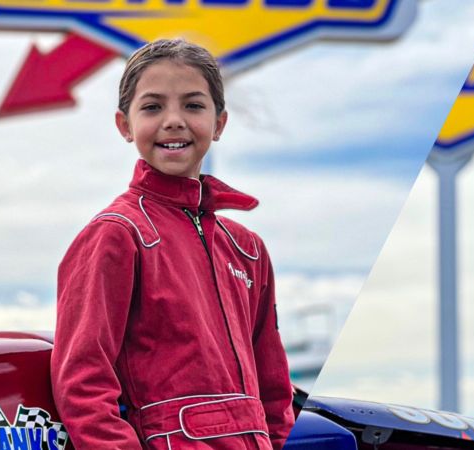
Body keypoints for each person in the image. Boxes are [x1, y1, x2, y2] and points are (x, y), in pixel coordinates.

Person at [51, 39, 295, 450]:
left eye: (194, 105)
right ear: (124, 125)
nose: (174, 121)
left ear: (219, 123)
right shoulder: (116, 234)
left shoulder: (248, 249)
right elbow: (82, 383)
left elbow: (275, 391)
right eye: (152, 107)